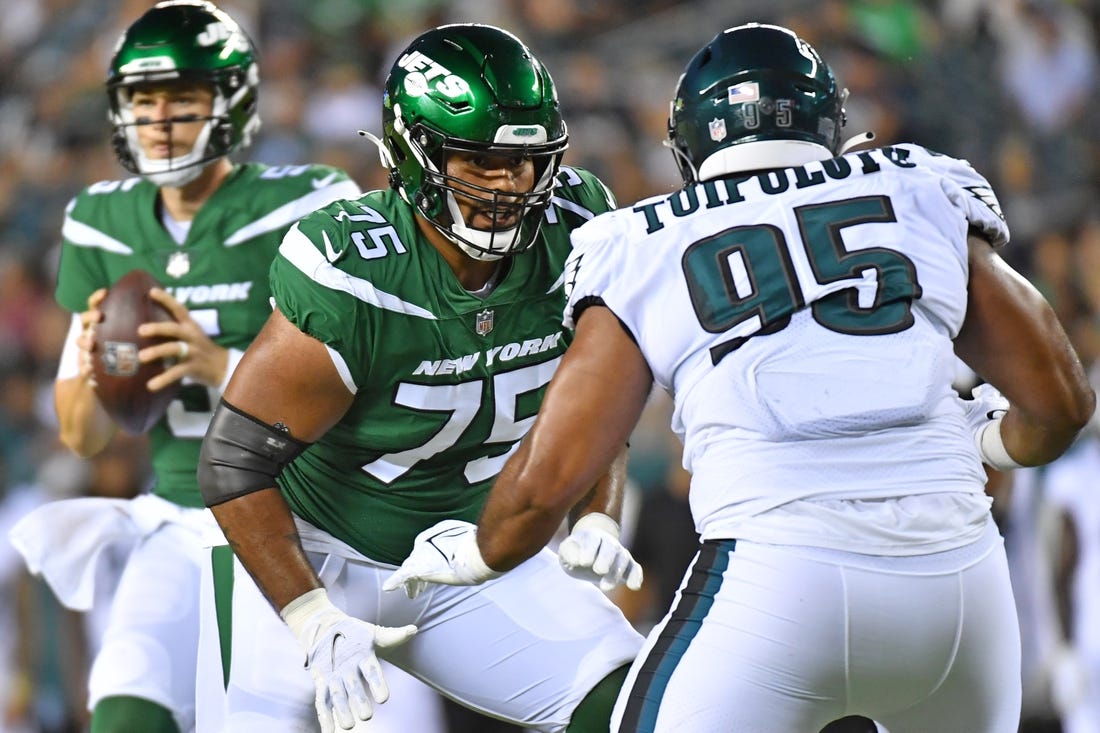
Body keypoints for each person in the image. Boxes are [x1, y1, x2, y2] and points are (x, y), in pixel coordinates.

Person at [384, 22, 1098, 733]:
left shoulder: (643, 240)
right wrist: (989, 444)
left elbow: (549, 478)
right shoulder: (917, 187)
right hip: (960, 594)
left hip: (779, 585)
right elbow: (1061, 403)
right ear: (830, 123)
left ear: (690, 146)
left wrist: (476, 551)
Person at [196, 22, 644, 733]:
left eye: (526, 162)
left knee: (636, 706)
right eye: (480, 161)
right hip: (311, 556)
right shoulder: (355, 271)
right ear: (414, 153)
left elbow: (601, 396)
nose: (510, 184)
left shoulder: (580, 227)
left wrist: (595, 511)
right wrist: (312, 619)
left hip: (469, 556)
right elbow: (231, 464)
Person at [7, 3, 360, 732]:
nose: (161, 119)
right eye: (144, 101)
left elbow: (356, 388)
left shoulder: (306, 204)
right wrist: (99, 361)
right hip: (174, 516)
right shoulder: (101, 223)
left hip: (298, 525)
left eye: (182, 99)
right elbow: (85, 438)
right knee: (124, 700)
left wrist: (223, 366)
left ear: (229, 106)